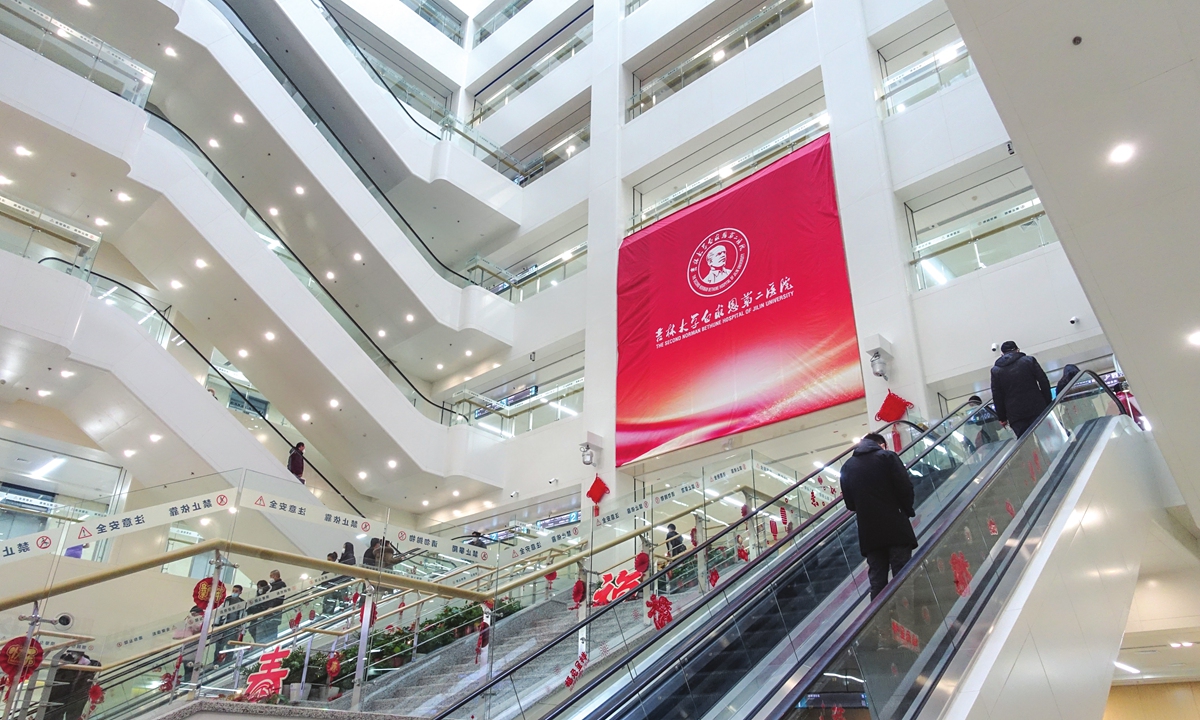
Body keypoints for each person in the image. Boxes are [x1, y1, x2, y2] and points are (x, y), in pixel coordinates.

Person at [840, 433, 918, 600]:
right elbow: (905, 487)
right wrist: (907, 510)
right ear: (881, 444)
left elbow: (850, 504)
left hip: (869, 533)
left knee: (877, 580)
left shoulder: (847, 466)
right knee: (902, 576)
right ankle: (907, 618)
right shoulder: (887, 457)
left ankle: (879, 622)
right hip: (895, 527)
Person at [990, 341, 1052, 438]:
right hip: (1037, 407)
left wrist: (1002, 417)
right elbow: (1043, 381)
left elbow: (997, 395)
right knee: (1046, 438)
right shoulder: (1029, 361)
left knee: (1027, 444)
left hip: (1015, 415)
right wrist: (1047, 402)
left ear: (1002, 354)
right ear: (1018, 350)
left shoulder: (996, 371)